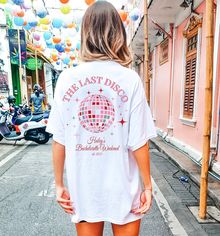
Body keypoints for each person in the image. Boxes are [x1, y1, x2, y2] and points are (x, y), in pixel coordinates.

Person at [46, 2, 157, 236]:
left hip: (84, 188)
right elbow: (138, 141)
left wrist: (59, 185)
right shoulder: (130, 79)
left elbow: (59, 140)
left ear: (85, 33)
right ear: (118, 33)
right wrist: (148, 185)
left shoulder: (66, 79)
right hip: (123, 188)